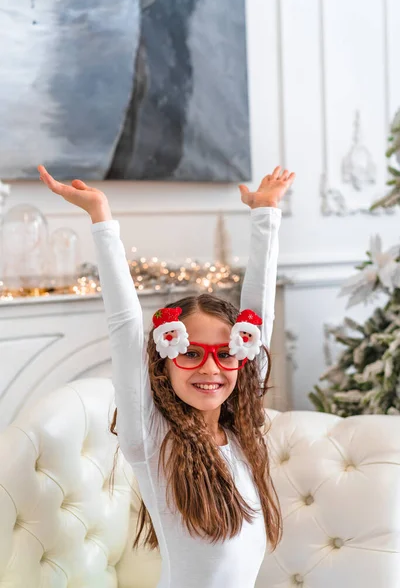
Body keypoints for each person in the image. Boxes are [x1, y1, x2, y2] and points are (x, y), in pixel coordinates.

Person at [38, 164, 296, 588]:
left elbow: (258, 322)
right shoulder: (153, 440)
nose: (211, 369)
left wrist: (265, 214)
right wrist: (102, 218)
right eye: (191, 353)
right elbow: (124, 326)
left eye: (226, 353)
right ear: (165, 358)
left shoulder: (242, 436)